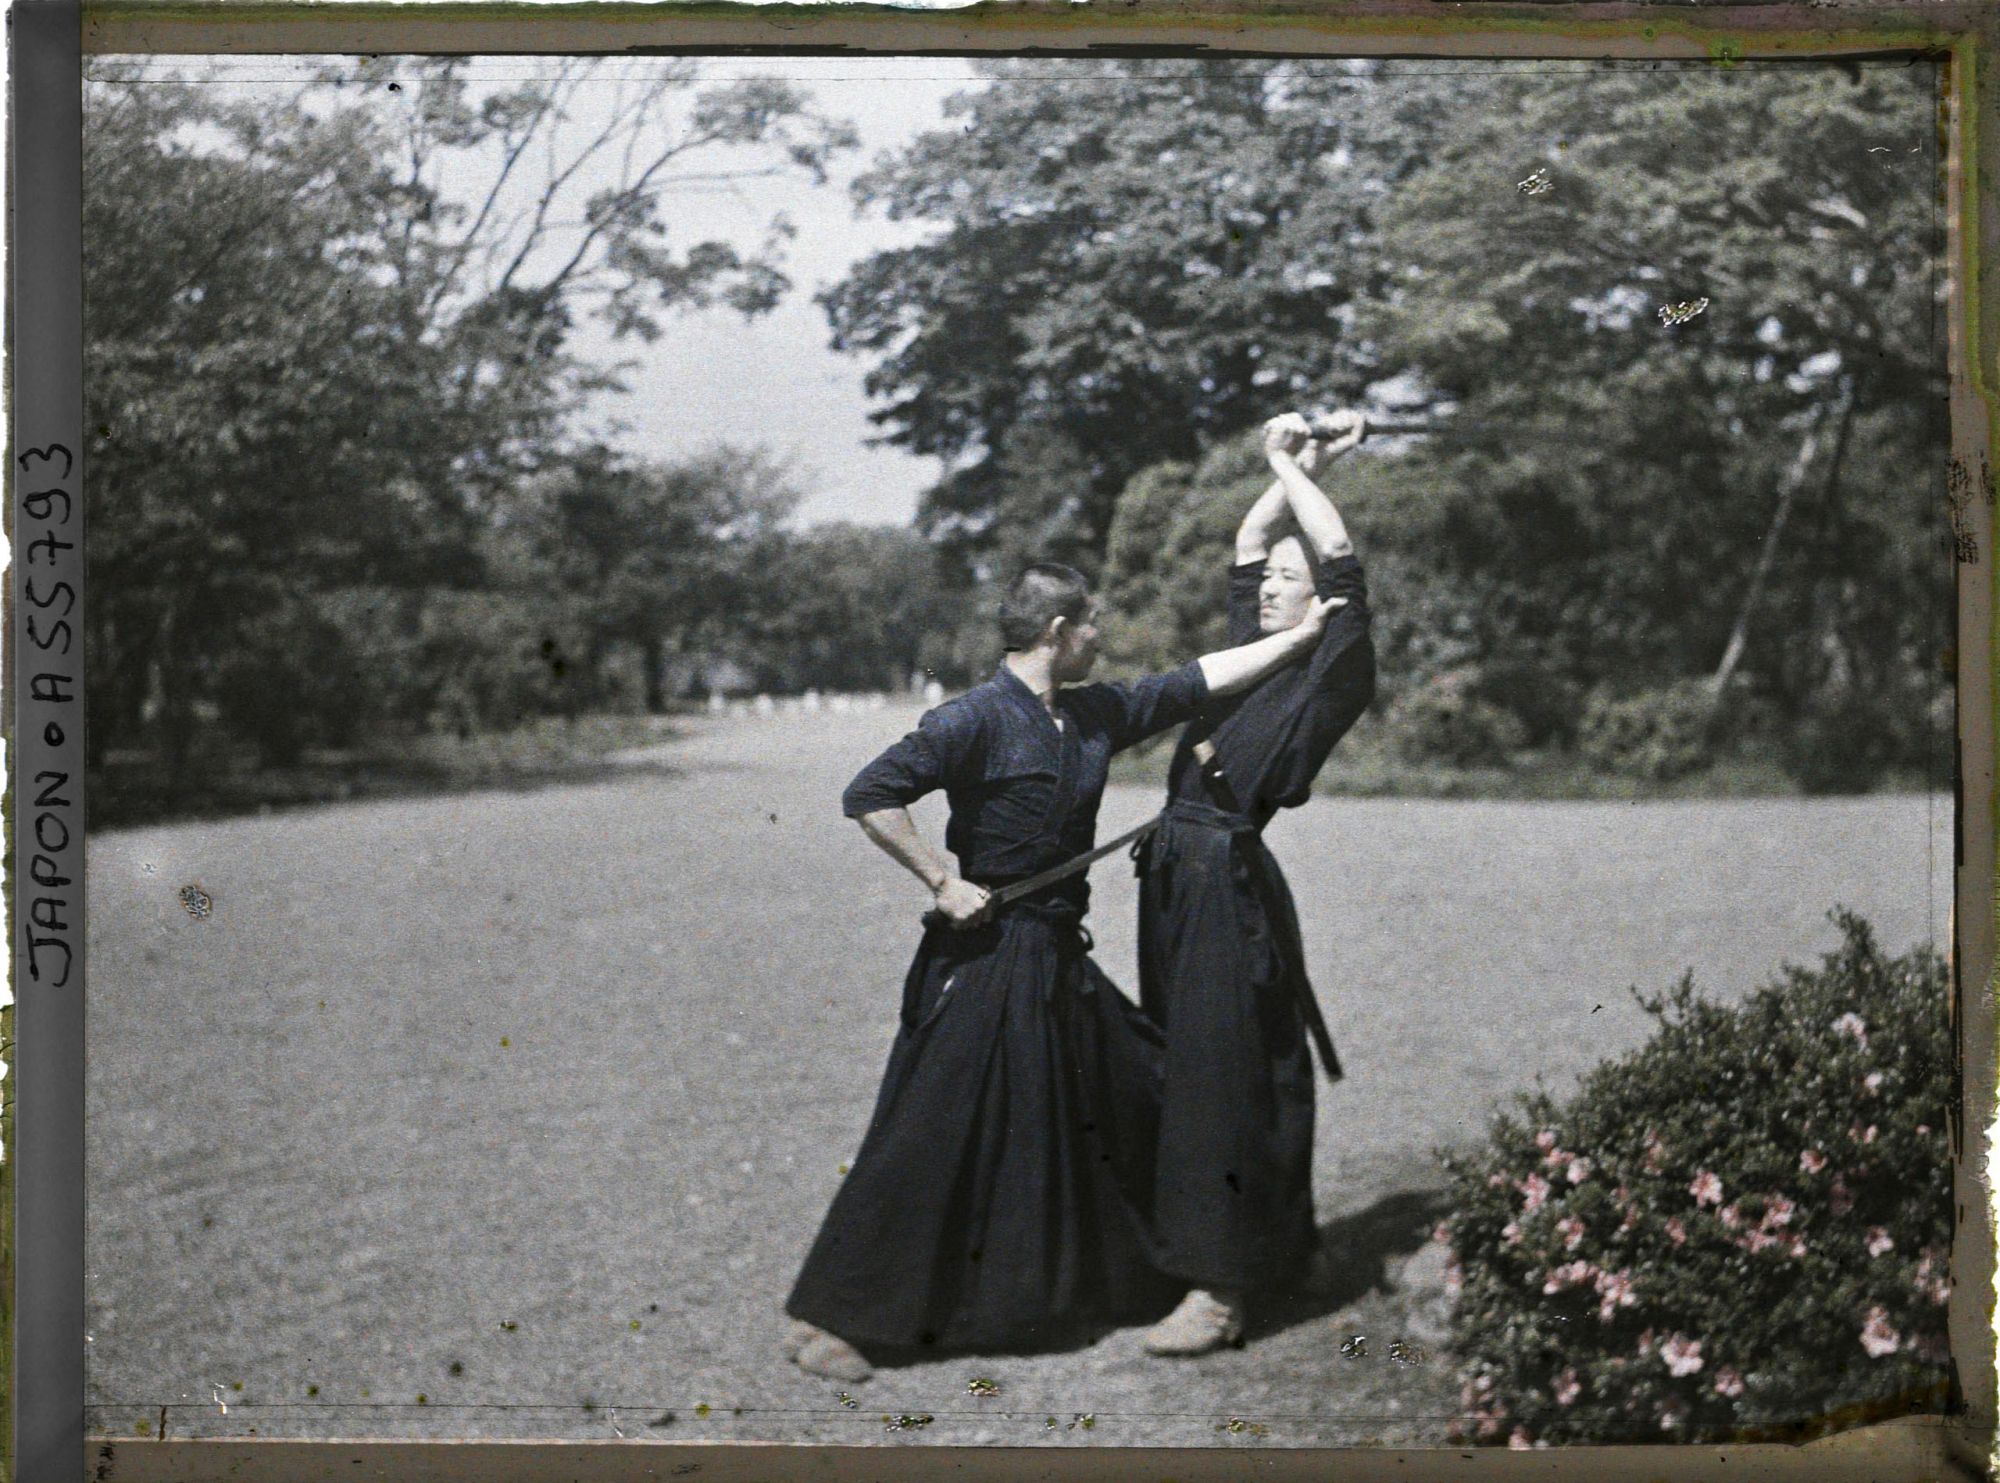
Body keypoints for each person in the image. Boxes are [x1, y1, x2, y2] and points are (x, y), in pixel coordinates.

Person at [782, 561, 1345, 1382]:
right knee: (932, 1127)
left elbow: (1194, 680)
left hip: (1056, 956)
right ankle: (835, 1321)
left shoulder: (1090, 714)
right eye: (1092, 625)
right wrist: (942, 877)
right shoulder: (971, 718)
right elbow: (871, 793)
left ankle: (1201, 1264)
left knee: (1142, 1081)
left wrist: (1303, 638)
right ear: (1057, 631)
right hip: (982, 959)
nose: (1100, 638)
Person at [1136, 410, 1379, 1357]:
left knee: (1221, 1077)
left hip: (1227, 880)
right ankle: (1287, 1249)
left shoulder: (1335, 669)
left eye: (1292, 580)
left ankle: (1221, 1290)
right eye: (1271, 583)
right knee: (1253, 1064)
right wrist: (1304, 466)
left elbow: (1341, 557)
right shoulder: (1258, 650)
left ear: (1326, 606)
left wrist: (1289, 462)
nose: (1272, 586)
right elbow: (1250, 538)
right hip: (1179, 877)